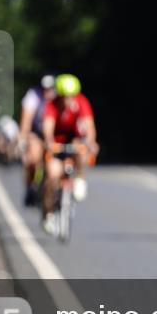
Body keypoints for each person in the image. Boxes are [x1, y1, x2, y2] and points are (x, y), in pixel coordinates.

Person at [41, 74, 99, 235]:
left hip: (73, 141)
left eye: (71, 96)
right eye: (65, 96)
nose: (68, 100)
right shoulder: (52, 105)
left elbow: (89, 126)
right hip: (57, 144)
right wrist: (49, 142)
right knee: (52, 176)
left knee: (81, 148)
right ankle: (48, 214)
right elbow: (47, 128)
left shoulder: (82, 102)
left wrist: (91, 142)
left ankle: (80, 178)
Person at [19, 74, 56, 206]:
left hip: (55, 135)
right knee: (33, 159)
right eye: (45, 89)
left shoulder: (59, 98)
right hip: (37, 134)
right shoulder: (33, 96)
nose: (48, 92)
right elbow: (26, 121)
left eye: (50, 89)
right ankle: (31, 186)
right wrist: (23, 139)